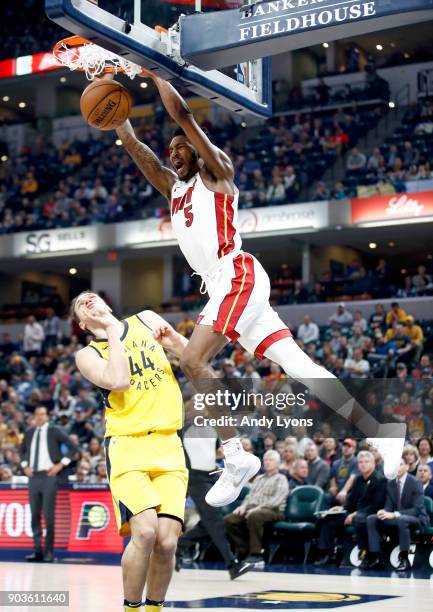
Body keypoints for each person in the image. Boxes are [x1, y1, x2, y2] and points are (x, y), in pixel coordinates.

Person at [114, 72, 406, 507]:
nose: (173, 154)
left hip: (237, 274)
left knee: (193, 359)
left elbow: (183, 113)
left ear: (197, 149)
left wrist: (154, 72)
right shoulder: (175, 190)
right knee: (301, 368)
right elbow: (140, 153)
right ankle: (381, 433)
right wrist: (118, 116)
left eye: (180, 148)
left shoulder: (217, 174)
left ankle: (235, 456)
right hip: (221, 285)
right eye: (171, 150)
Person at [71, 291, 189, 612]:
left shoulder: (147, 319)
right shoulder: (88, 354)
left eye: (93, 297)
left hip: (168, 443)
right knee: (146, 532)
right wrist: (111, 329)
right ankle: (130, 609)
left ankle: (154, 609)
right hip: (127, 445)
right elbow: (119, 381)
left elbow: (194, 358)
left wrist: (176, 342)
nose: (90, 301)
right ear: (83, 322)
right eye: (83, 304)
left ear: (107, 303)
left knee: (166, 542)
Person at [177, 411, 252, 580]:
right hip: (195, 480)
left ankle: (179, 546)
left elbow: (215, 453)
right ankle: (232, 565)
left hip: (209, 478)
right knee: (215, 521)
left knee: (209, 522)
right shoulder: (185, 430)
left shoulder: (212, 429)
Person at [20, 405, 78, 563]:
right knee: (34, 515)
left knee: (48, 515)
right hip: (33, 478)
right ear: (34, 416)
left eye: (43, 414)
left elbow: (73, 448)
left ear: (47, 416)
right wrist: (25, 465)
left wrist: (60, 465)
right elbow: (23, 451)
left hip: (49, 476)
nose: (40, 417)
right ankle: (37, 551)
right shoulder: (29, 432)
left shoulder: (54, 430)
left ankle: (48, 552)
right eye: (37, 414)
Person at [315, 451, 386, 566]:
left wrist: (355, 513)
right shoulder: (357, 479)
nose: (363, 464)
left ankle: (366, 554)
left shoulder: (380, 480)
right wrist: (341, 508)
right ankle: (327, 554)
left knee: (359, 519)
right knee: (327, 518)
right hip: (353, 513)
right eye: (360, 462)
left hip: (370, 514)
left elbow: (377, 505)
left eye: (366, 462)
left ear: (373, 464)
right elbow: (351, 499)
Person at [223, 450, 289, 567]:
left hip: (274, 510)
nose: (267, 462)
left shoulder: (281, 478)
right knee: (229, 519)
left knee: (255, 516)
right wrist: (243, 506)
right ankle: (245, 549)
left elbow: (277, 500)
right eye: (265, 460)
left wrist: (257, 508)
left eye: (270, 460)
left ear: (278, 464)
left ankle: (256, 555)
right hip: (253, 508)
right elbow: (250, 496)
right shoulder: (259, 478)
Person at [365, 457, 429, 571]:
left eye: (400, 464)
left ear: (407, 467)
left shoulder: (415, 483)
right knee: (372, 519)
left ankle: (404, 559)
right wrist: (384, 511)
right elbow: (389, 505)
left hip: (418, 519)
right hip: (398, 517)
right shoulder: (390, 483)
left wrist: (395, 514)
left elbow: (417, 510)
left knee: (402, 519)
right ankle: (376, 558)